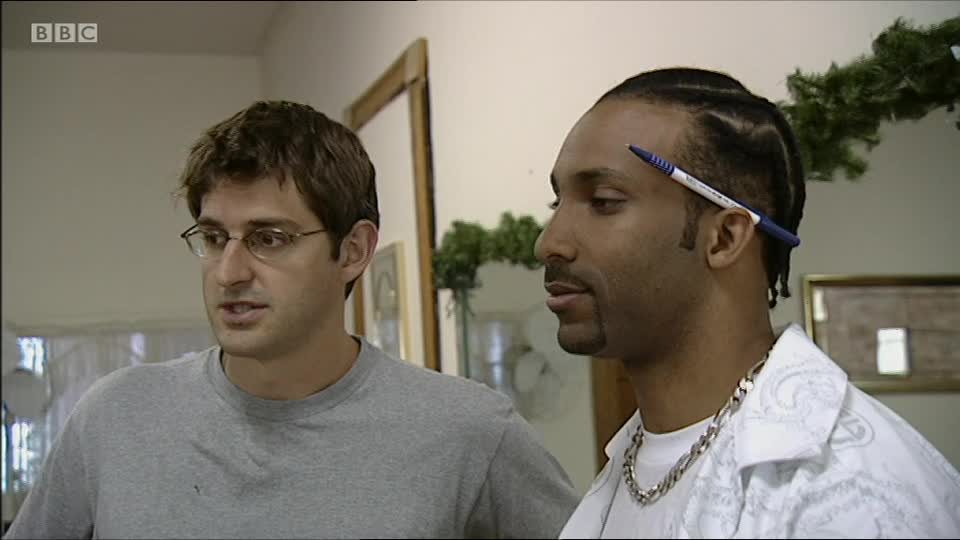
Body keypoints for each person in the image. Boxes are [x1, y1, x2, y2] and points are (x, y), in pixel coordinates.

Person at [4, 101, 580, 539]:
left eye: (269, 238)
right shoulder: (114, 419)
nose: (229, 272)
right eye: (214, 237)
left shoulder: (470, 433)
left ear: (352, 251)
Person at [534, 67, 960, 538]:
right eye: (558, 203)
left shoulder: (854, 495)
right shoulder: (632, 463)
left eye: (603, 200)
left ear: (724, 237)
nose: (549, 243)